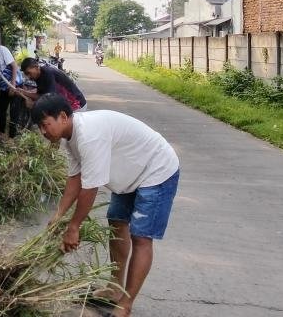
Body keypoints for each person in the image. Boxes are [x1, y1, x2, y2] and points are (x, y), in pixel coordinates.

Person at [30, 93, 179, 317]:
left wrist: (74, 227)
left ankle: (125, 305)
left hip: (156, 170)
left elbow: (90, 188)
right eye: (40, 127)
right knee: (117, 222)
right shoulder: (70, 139)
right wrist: (58, 215)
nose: (43, 132)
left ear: (62, 116)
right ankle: (114, 288)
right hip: (131, 174)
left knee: (141, 237)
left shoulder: (89, 135)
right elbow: (75, 178)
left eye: (45, 125)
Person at [18, 57, 87, 111]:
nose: (28, 76)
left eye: (29, 73)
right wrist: (24, 92)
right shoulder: (38, 76)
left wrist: (27, 95)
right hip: (67, 106)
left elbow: (49, 98)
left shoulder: (47, 73)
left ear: (37, 67)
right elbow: (40, 95)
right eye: (26, 74)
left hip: (76, 106)